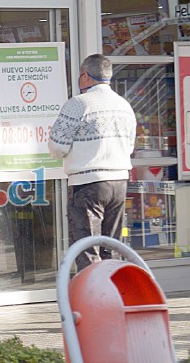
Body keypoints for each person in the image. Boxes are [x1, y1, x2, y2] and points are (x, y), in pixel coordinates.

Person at [48, 54, 136, 271]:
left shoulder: (78, 104)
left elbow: (57, 146)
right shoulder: (124, 105)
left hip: (88, 182)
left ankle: (93, 299)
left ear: (85, 76)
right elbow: (131, 146)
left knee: (86, 246)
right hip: (119, 181)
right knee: (112, 246)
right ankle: (113, 294)